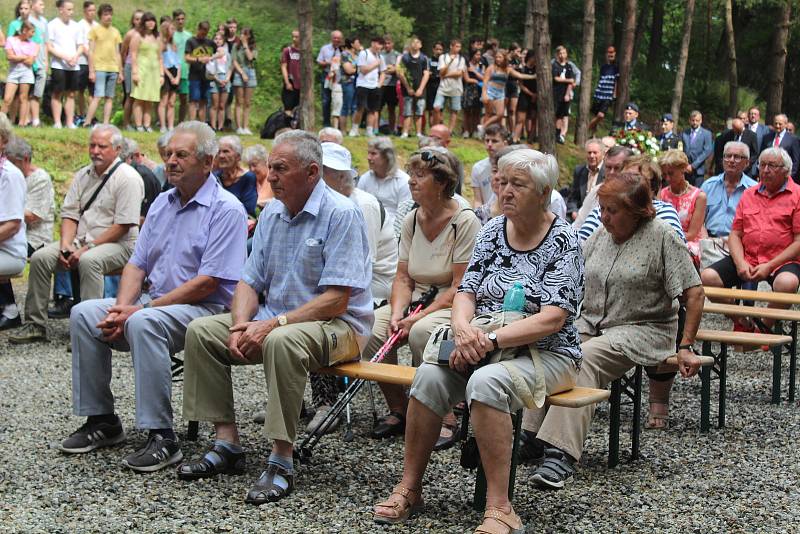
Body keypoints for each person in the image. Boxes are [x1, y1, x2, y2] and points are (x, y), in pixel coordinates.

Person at [372, 149, 583, 533]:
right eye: (502, 182)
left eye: (517, 185)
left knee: (487, 383)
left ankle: (500, 507)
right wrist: (464, 329)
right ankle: (409, 487)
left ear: (544, 192)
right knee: (427, 378)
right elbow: (465, 290)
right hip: (484, 341)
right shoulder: (492, 230)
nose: (505, 191)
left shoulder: (565, 241)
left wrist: (486, 338)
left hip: (549, 352)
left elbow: (554, 317)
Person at [177, 130, 372, 505]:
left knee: (282, 340)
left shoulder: (342, 213)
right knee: (203, 331)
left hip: (340, 327)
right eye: (269, 168)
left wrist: (272, 324)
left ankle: (281, 459)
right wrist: (239, 325)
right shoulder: (272, 215)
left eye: (280, 169)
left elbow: (336, 299)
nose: (270, 177)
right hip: (277, 320)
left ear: (312, 172)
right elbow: (249, 281)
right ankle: (226, 442)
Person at [58, 121, 247, 473]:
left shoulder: (227, 209)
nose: (171, 161)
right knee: (84, 313)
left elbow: (208, 283)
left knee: (145, 322)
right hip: (157, 304)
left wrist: (139, 309)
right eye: (168, 154)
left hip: (206, 311)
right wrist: (120, 308)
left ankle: (162, 437)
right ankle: (102, 420)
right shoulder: (162, 202)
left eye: (181, 155)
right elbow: (136, 264)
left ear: (207, 163)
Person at [529, 171, 703, 490]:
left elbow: (694, 293)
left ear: (637, 211)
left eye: (612, 211)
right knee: (548, 347)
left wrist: (687, 344)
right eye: (603, 209)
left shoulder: (662, 236)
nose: (605, 217)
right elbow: (573, 272)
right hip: (593, 324)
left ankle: (560, 453)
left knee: (583, 358)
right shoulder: (602, 235)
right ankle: (529, 435)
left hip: (643, 328)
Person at [363, 148, 480, 450]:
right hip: (415, 298)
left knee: (421, 333)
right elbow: (403, 277)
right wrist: (398, 312)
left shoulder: (464, 221)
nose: (411, 181)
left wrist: (416, 317)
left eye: (420, 175)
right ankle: (400, 408)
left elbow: (461, 285)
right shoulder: (412, 219)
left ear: (442, 182)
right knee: (372, 329)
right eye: (411, 174)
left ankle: (444, 416)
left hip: (451, 302)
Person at [9, 126, 144, 344]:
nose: (95, 151)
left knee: (90, 261)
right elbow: (70, 214)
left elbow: (122, 225)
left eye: (102, 146)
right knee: (40, 258)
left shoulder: (128, 178)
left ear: (117, 149)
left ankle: (88, 329)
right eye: (92, 145)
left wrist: (86, 248)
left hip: (119, 244)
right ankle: (36, 324)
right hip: (81, 239)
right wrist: (65, 245)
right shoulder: (83, 174)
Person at [701, 147, 800, 333]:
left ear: (786, 170)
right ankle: (742, 320)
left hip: (782, 259)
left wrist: (769, 266)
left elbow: (798, 242)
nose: (765, 170)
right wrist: (740, 263)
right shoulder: (749, 194)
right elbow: (735, 234)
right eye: (762, 165)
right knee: (708, 277)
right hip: (748, 256)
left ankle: (763, 328)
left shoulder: (797, 195)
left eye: (772, 166)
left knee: (787, 283)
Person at [0, 135, 55, 330]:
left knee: (7, 242)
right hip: (17, 231)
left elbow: (33, 215)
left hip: (36, 236)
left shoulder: (39, 178)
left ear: (25, 159)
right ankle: (7, 307)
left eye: (14, 162)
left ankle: (9, 309)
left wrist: (9, 207)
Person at [699, 141, 756, 271]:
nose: (731, 160)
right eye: (727, 156)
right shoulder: (708, 185)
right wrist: (706, 240)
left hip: (741, 246)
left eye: (737, 157)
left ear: (747, 163)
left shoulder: (753, 190)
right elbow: (699, 220)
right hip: (710, 242)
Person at [0, 122, 31, 330]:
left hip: (10, 252)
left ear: (3, 141)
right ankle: (8, 308)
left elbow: (12, 225)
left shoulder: (9, 175)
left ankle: (9, 309)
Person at [658, 149, 708, 265]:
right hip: (665, 241)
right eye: (664, 174)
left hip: (689, 243)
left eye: (671, 173)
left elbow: (691, 235)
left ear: (683, 169)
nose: (667, 179)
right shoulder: (662, 193)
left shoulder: (699, 196)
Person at [48, 0, 86, 129]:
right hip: (58, 65)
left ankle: (70, 122)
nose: (71, 12)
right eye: (68, 9)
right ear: (61, 10)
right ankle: (57, 121)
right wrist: (64, 57)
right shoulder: (52, 25)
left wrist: (75, 56)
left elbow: (81, 46)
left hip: (74, 65)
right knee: (57, 93)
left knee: (71, 94)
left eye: (72, 9)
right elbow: (49, 47)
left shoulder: (76, 26)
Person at [357, 137, 410, 222]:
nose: (368, 157)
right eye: (368, 153)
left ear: (387, 156)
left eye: (373, 154)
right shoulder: (365, 178)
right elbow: (357, 206)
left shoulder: (403, 181)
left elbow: (404, 215)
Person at [85, 3, 121, 127]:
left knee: (109, 97)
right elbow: (90, 51)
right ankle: (87, 122)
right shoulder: (95, 30)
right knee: (97, 96)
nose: (108, 17)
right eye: (106, 14)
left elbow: (118, 53)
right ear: (100, 16)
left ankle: (106, 124)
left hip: (113, 68)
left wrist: (120, 71)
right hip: (99, 68)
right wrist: (91, 70)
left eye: (110, 14)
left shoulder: (115, 32)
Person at [480, 49, 535, 132]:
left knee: (500, 114)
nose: (498, 59)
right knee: (489, 113)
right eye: (496, 57)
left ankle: (483, 127)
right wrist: (484, 94)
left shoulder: (508, 69)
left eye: (500, 57)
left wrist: (533, 76)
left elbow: (520, 75)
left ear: (504, 58)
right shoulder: (491, 68)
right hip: (490, 91)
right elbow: (485, 81)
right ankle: (485, 132)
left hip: (500, 93)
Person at [129, 12, 162, 132]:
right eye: (148, 20)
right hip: (141, 70)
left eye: (153, 20)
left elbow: (160, 57)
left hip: (153, 73)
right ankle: (138, 125)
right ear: (144, 22)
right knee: (139, 99)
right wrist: (134, 72)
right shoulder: (138, 36)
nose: (151, 23)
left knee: (150, 99)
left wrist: (161, 74)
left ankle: (147, 124)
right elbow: (133, 55)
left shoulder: (157, 37)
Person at [213, 136, 257, 223]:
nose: (221, 156)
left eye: (226, 151)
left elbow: (248, 209)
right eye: (219, 152)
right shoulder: (214, 177)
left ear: (238, 156)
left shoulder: (248, 178)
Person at [2, 20, 38, 126]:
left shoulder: (33, 44)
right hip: (13, 73)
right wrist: (23, 57)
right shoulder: (11, 40)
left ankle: (22, 123)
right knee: (7, 98)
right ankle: (1, 122)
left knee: (23, 98)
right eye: (32, 31)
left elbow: (30, 61)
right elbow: (9, 56)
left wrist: (16, 57)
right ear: (25, 30)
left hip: (26, 73)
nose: (33, 34)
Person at [350, 36, 385, 138]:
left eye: (381, 45)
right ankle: (354, 129)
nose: (380, 47)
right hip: (363, 84)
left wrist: (379, 84)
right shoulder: (364, 54)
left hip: (374, 86)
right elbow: (363, 70)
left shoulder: (380, 57)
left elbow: (383, 72)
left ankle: (369, 130)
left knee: (372, 110)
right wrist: (375, 64)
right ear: (373, 43)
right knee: (360, 108)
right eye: (379, 44)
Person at [397, 37, 429, 139]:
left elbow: (426, 74)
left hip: (420, 89)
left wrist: (420, 89)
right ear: (410, 45)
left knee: (419, 112)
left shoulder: (424, 58)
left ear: (421, 45)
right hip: (407, 89)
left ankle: (419, 133)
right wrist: (407, 87)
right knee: (407, 111)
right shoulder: (405, 58)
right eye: (413, 42)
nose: (415, 44)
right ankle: (405, 132)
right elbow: (401, 73)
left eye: (417, 42)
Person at [471, 124, 509, 207]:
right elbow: (478, 200)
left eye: (494, 141)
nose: (489, 144)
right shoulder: (478, 168)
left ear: (505, 143)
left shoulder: (512, 166)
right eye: (487, 140)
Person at [567, 138, 605, 220]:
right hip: (580, 216)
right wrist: (574, 211)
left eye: (595, 153)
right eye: (589, 153)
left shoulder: (608, 172)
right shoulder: (579, 171)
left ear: (602, 154)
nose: (591, 156)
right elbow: (573, 197)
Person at [433, 39, 466, 133]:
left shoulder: (461, 59)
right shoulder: (443, 57)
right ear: (451, 46)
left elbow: (459, 73)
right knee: (436, 107)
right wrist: (450, 62)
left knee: (454, 110)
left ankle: (449, 131)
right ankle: (436, 129)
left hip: (456, 88)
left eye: (459, 47)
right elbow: (441, 71)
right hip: (443, 87)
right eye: (456, 46)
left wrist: (446, 75)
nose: (458, 49)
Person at [184, 21, 214, 122]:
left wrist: (214, 56)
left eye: (206, 33)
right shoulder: (191, 41)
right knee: (193, 100)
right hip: (194, 76)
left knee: (204, 101)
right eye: (202, 33)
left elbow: (220, 52)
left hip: (206, 76)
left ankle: (202, 124)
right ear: (198, 29)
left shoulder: (210, 43)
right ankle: (192, 124)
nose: (203, 35)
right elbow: (186, 58)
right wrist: (198, 59)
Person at [74, 1, 97, 124]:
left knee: (93, 92)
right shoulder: (80, 25)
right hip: (83, 62)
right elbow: (82, 44)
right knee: (80, 90)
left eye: (94, 10)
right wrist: (90, 56)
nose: (92, 13)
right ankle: (81, 114)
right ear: (85, 11)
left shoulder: (97, 26)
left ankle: (91, 116)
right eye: (90, 10)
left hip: (95, 63)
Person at [587, 46, 618, 134]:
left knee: (601, 115)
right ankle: (593, 135)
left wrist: (614, 95)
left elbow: (616, 82)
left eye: (612, 52)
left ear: (615, 53)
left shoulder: (616, 67)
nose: (610, 54)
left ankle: (586, 129)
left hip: (607, 96)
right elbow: (600, 80)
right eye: (609, 52)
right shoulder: (603, 67)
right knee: (595, 114)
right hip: (599, 93)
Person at [26, 0, 48, 127]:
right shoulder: (25, 20)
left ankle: (35, 119)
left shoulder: (44, 22)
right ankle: (27, 119)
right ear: (33, 5)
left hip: (41, 62)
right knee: (27, 93)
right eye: (40, 4)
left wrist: (45, 61)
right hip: (28, 62)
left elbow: (45, 43)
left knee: (37, 93)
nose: (42, 7)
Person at [120, 10, 142, 130]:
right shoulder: (130, 34)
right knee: (130, 96)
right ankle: (126, 123)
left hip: (143, 68)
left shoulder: (147, 34)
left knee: (140, 96)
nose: (139, 21)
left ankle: (139, 122)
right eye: (137, 19)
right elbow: (123, 52)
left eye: (141, 19)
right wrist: (123, 68)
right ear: (133, 21)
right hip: (130, 66)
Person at [760, 114, 800, 179]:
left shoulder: (793, 140)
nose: (777, 126)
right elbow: (762, 156)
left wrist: (789, 177)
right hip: (767, 175)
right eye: (775, 123)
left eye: (780, 124)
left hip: (784, 177)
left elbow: (796, 161)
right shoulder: (767, 137)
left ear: (786, 124)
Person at [232, 27, 256, 135]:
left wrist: (245, 45)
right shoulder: (235, 46)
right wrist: (242, 73)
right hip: (239, 72)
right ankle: (238, 127)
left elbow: (250, 58)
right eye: (241, 33)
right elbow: (234, 61)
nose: (242, 36)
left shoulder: (253, 47)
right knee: (239, 101)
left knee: (247, 102)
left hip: (250, 72)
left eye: (245, 34)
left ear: (249, 36)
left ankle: (245, 126)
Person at [316, 30, 343, 127]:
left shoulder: (343, 50)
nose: (336, 40)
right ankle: (326, 123)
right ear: (331, 38)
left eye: (338, 38)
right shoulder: (325, 48)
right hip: (327, 75)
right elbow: (319, 62)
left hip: (339, 77)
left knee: (339, 100)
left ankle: (339, 124)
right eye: (335, 38)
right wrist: (329, 63)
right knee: (326, 100)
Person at [157, 19, 179, 132]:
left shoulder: (174, 44)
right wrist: (170, 76)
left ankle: (171, 126)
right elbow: (160, 61)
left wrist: (177, 77)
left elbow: (178, 62)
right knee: (164, 101)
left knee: (171, 102)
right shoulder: (161, 43)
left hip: (175, 72)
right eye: (171, 29)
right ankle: (163, 125)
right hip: (166, 72)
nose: (173, 31)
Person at [681, 110, 714, 186]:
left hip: (698, 171)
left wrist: (693, 166)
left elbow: (707, 151)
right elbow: (681, 149)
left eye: (697, 120)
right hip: (685, 170)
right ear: (689, 120)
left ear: (701, 121)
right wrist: (685, 165)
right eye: (693, 120)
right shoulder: (684, 133)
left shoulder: (707, 134)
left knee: (697, 194)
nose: (695, 122)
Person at [207, 31, 232, 132]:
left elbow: (230, 67)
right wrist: (217, 79)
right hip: (214, 79)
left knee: (222, 105)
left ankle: (220, 126)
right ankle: (213, 126)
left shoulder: (227, 54)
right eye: (216, 39)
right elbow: (209, 69)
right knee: (214, 105)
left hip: (225, 79)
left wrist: (227, 79)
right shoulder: (211, 53)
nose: (217, 41)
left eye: (220, 39)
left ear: (223, 41)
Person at [552, 46, 576, 144]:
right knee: (554, 113)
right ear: (557, 54)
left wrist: (567, 94)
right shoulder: (555, 65)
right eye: (560, 53)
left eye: (564, 53)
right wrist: (567, 80)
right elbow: (556, 78)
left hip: (565, 94)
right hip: (555, 93)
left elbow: (572, 82)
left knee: (561, 115)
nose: (562, 55)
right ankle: (552, 131)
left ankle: (558, 134)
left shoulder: (569, 66)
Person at [512, 50, 537, 144]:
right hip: (524, 96)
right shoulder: (523, 69)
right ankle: (515, 138)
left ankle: (530, 139)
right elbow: (521, 84)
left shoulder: (537, 69)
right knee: (520, 119)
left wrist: (536, 95)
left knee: (533, 118)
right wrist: (531, 94)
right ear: (530, 57)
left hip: (535, 97)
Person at [171, 9, 191, 123]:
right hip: (172, 70)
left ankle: (181, 122)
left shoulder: (189, 35)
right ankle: (167, 122)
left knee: (184, 98)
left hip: (185, 70)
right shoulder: (171, 35)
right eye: (178, 19)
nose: (180, 21)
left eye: (182, 19)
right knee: (170, 99)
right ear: (174, 20)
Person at [462, 48, 484, 139]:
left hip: (479, 90)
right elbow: (466, 78)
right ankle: (466, 130)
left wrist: (474, 71)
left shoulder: (481, 65)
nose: (478, 56)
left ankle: (475, 130)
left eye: (479, 55)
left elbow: (484, 78)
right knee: (467, 111)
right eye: (477, 54)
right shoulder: (466, 65)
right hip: (469, 90)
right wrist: (475, 80)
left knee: (477, 112)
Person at [242, 144, 273, 209]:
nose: (251, 169)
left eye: (254, 165)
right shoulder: (251, 179)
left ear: (266, 162)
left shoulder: (272, 179)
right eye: (249, 166)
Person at [379, 35, 399, 134]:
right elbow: (380, 68)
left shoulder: (396, 55)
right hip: (381, 84)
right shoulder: (379, 54)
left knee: (392, 108)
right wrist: (389, 68)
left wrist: (389, 68)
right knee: (378, 108)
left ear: (392, 44)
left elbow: (397, 68)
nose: (386, 45)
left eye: (388, 43)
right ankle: (376, 128)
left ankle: (392, 129)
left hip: (392, 85)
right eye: (385, 43)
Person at [280, 30, 300, 115]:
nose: (294, 39)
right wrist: (287, 82)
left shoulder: (305, 51)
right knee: (288, 107)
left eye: (296, 37)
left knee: (298, 107)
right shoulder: (287, 51)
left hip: (301, 84)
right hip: (291, 82)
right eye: (293, 37)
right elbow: (283, 67)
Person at [425, 41, 444, 127]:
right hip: (430, 87)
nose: (438, 51)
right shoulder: (429, 60)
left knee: (440, 109)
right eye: (437, 49)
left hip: (441, 87)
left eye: (440, 49)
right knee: (431, 110)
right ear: (433, 49)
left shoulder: (444, 61)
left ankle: (440, 127)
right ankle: (432, 128)